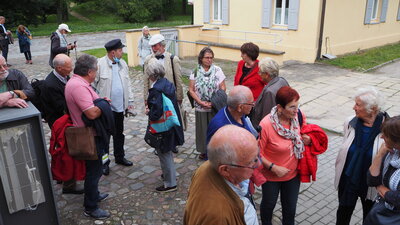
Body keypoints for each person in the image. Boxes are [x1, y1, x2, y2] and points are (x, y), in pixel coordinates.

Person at [184, 125, 260, 225]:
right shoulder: (217, 217)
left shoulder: (211, 165)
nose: (259, 164)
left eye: (257, 157)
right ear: (225, 170)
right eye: (251, 162)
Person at [64, 54, 110, 219]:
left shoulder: (79, 83)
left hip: (90, 134)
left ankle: (95, 194)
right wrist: (103, 105)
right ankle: (90, 207)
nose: (96, 73)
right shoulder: (78, 86)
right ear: (90, 71)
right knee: (94, 171)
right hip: (89, 136)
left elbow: (91, 103)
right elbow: (91, 113)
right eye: (96, 70)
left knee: (95, 170)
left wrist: (100, 101)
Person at [334, 87, 388, 225]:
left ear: (373, 109)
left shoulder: (388, 128)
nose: (354, 107)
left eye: (358, 105)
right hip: (349, 179)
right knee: (343, 214)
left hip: (371, 185)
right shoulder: (350, 122)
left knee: (369, 218)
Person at [258, 86, 309, 225]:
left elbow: (305, 132)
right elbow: (257, 153)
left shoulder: (297, 117)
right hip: (271, 177)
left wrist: (308, 139)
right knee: (268, 206)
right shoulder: (266, 124)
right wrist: (273, 167)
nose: (296, 110)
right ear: (280, 108)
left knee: (290, 210)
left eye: (297, 106)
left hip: (293, 175)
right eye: (292, 107)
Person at [93, 39, 134, 175]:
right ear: (113, 52)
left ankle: (119, 157)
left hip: (119, 107)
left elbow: (128, 83)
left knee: (119, 134)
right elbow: (92, 86)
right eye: (120, 50)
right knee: (104, 138)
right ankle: (105, 162)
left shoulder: (123, 63)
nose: (122, 52)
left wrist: (130, 101)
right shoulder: (99, 64)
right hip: (105, 109)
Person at [145, 58, 184, 192]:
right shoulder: (167, 83)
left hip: (162, 127)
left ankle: (170, 183)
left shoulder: (156, 90)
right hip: (170, 124)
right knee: (167, 151)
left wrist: (148, 112)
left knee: (164, 153)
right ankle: (170, 175)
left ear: (152, 75)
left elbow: (155, 113)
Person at [188, 47, 226, 160]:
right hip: (200, 106)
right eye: (207, 58)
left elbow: (223, 87)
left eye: (211, 58)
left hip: (214, 105)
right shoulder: (195, 71)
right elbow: (191, 89)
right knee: (202, 129)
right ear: (201, 58)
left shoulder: (217, 70)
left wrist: (214, 101)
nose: (209, 60)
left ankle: (215, 150)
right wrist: (199, 101)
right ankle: (204, 150)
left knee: (215, 128)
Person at [364, 116, 400, 224]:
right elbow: (371, 180)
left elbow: (398, 199)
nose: (382, 137)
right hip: (380, 213)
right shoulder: (391, 153)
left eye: (386, 135)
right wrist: (379, 155)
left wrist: (380, 187)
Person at [143, 34, 183, 106]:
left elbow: (178, 80)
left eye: (155, 46)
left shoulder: (173, 59)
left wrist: (179, 97)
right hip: (154, 97)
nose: (153, 49)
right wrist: (146, 98)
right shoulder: (148, 60)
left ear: (162, 45)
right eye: (152, 46)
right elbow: (146, 80)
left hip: (169, 96)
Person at [252, 57, 289, 127]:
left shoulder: (269, 92)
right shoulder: (281, 80)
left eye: (260, 72)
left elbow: (267, 117)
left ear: (267, 74)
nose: (259, 74)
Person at [42, 54, 73, 129]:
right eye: (69, 67)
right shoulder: (51, 85)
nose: (71, 69)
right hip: (59, 123)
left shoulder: (64, 75)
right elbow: (61, 108)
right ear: (59, 68)